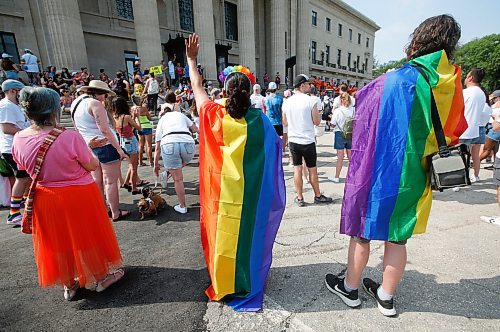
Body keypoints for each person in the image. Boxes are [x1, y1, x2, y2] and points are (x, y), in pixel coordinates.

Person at [325, 14, 466, 317]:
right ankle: (386, 297)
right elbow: (455, 129)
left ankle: (349, 288)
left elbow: (361, 117)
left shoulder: (396, 78)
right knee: (398, 235)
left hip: (380, 169)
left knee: (363, 229)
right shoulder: (450, 84)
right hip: (417, 171)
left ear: (418, 40)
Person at [186, 33, 285, 312]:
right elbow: (274, 155)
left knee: (223, 238)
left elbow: (196, 85)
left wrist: (192, 59)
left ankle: (224, 283)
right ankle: (248, 282)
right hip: (250, 195)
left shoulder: (211, 114)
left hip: (220, 194)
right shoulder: (261, 121)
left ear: (225, 89)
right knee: (250, 237)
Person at [12, 86, 124, 301]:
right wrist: (89, 147)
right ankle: (101, 277)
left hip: (45, 197)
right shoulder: (69, 137)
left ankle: (69, 284)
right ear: (53, 110)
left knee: (58, 241)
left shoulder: (18, 138)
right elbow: (91, 165)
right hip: (78, 194)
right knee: (88, 236)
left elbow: (24, 169)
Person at [71, 80, 130, 221]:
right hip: (105, 146)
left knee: (97, 180)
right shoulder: (94, 104)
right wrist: (119, 149)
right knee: (110, 181)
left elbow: (76, 128)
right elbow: (104, 129)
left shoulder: (75, 103)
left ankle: (102, 209)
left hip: (89, 146)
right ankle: (115, 212)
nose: (105, 98)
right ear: (100, 93)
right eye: (105, 95)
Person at [283, 74, 333, 207]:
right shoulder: (311, 101)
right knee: (312, 169)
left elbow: (285, 121)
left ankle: (300, 198)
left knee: (297, 169)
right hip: (308, 140)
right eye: (307, 84)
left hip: (294, 140)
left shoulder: (287, 102)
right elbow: (317, 121)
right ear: (302, 85)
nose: (310, 86)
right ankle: (317, 195)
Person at [153, 96, 198, 214]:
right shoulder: (180, 115)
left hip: (169, 142)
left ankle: (182, 206)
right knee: (183, 161)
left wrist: (155, 165)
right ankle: (169, 172)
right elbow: (196, 129)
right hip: (187, 142)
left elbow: (157, 147)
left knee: (178, 179)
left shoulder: (162, 120)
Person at [0, 79, 31, 226]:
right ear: (13, 91)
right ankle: (13, 213)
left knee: (27, 178)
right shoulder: (6, 106)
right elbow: (6, 128)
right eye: (20, 92)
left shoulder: (13, 105)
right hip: (11, 149)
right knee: (23, 178)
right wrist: (29, 132)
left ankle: (26, 208)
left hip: (18, 147)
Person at [459, 68, 487, 182]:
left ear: (470, 78)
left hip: (462, 129)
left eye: (466, 77)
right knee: (467, 155)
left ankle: (459, 179)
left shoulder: (466, 92)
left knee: (459, 156)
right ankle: (467, 176)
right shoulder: (481, 93)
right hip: (473, 130)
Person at [111, 96, 141, 194]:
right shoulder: (126, 117)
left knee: (130, 165)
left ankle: (127, 182)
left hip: (122, 141)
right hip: (131, 141)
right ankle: (134, 188)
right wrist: (137, 117)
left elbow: (126, 129)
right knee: (134, 167)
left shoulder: (114, 117)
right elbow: (138, 128)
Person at [328, 92, 354, 183]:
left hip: (339, 133)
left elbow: (333, 124)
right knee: (351, 157)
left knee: (340, 157)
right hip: (350, 133)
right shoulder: (353, 110)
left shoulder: (338, 111)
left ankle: (337, 176)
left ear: (340, 100)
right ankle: (353, 176)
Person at [132, 96, 153, 167]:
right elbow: (149, 118)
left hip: (139, 127)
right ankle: (150, 162)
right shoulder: (144, 108)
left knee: (140, 145)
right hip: (147, 126)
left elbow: (133, 118)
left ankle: (140, 162)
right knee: (148, 145)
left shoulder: (133, 109)